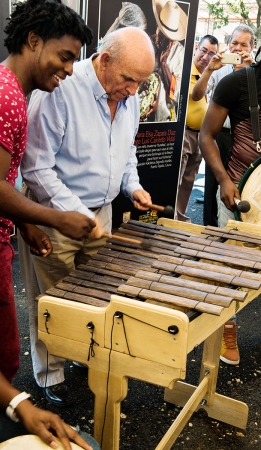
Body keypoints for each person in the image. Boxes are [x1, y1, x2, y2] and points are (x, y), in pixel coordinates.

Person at [18, 26, 155, 407]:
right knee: (54, 298)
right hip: (55, 215)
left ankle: (82, 353)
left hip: (102, 212)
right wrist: (76, 214)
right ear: (104, 60)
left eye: (140, 83)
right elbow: (37, 169)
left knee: (95, 294)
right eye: (128, 79)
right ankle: (50, 372)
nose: (132, 91)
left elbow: (125, 153)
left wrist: (134, 186)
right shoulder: (60, 89)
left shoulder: (128, 92)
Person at [0, 0, 99, 448]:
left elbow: (4, 178)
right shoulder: (9, 97)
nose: (71, 70)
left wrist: (24, 225)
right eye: (65, 56)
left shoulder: (12, 91)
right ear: (33, 40)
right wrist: (58, 217)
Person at [199, 2, 261, 365]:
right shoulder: (233, 82)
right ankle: (227, 326)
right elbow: (206, 137)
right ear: (260, 39)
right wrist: (224, 181)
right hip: (236, 190)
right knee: (231, 265)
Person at [193, 25, 255, 227]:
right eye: (234, 43)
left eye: (243, 44)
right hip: (218, 136)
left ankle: (237, 229)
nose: (238, 48)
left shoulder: (256, 72)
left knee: (240, 184)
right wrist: (210, 69)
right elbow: (196, 95)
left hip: (244, 139)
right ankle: (210, 230)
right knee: (212, 186)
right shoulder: (220, 68)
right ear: (228, 45)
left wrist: (250, 71)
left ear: (252, 47)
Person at [175, 35, 218, 222]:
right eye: (204, 51)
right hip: (184, 133)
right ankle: (171, 219)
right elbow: (195, 96)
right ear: (196, 48)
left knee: (188, 182)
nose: (206, 57)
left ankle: (180, 218)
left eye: (211, 54)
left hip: (200, 137)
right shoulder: (186, 71)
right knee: (176, 180)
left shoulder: (205, 75)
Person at [148, 0, 187, 121]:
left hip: (164, 117)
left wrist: (164, 64)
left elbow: (176, 94)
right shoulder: (146, 43)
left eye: (170, 38)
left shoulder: (179, 51)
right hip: (142, 115)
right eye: (163, 34)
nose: (165, 41)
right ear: (157, 27)